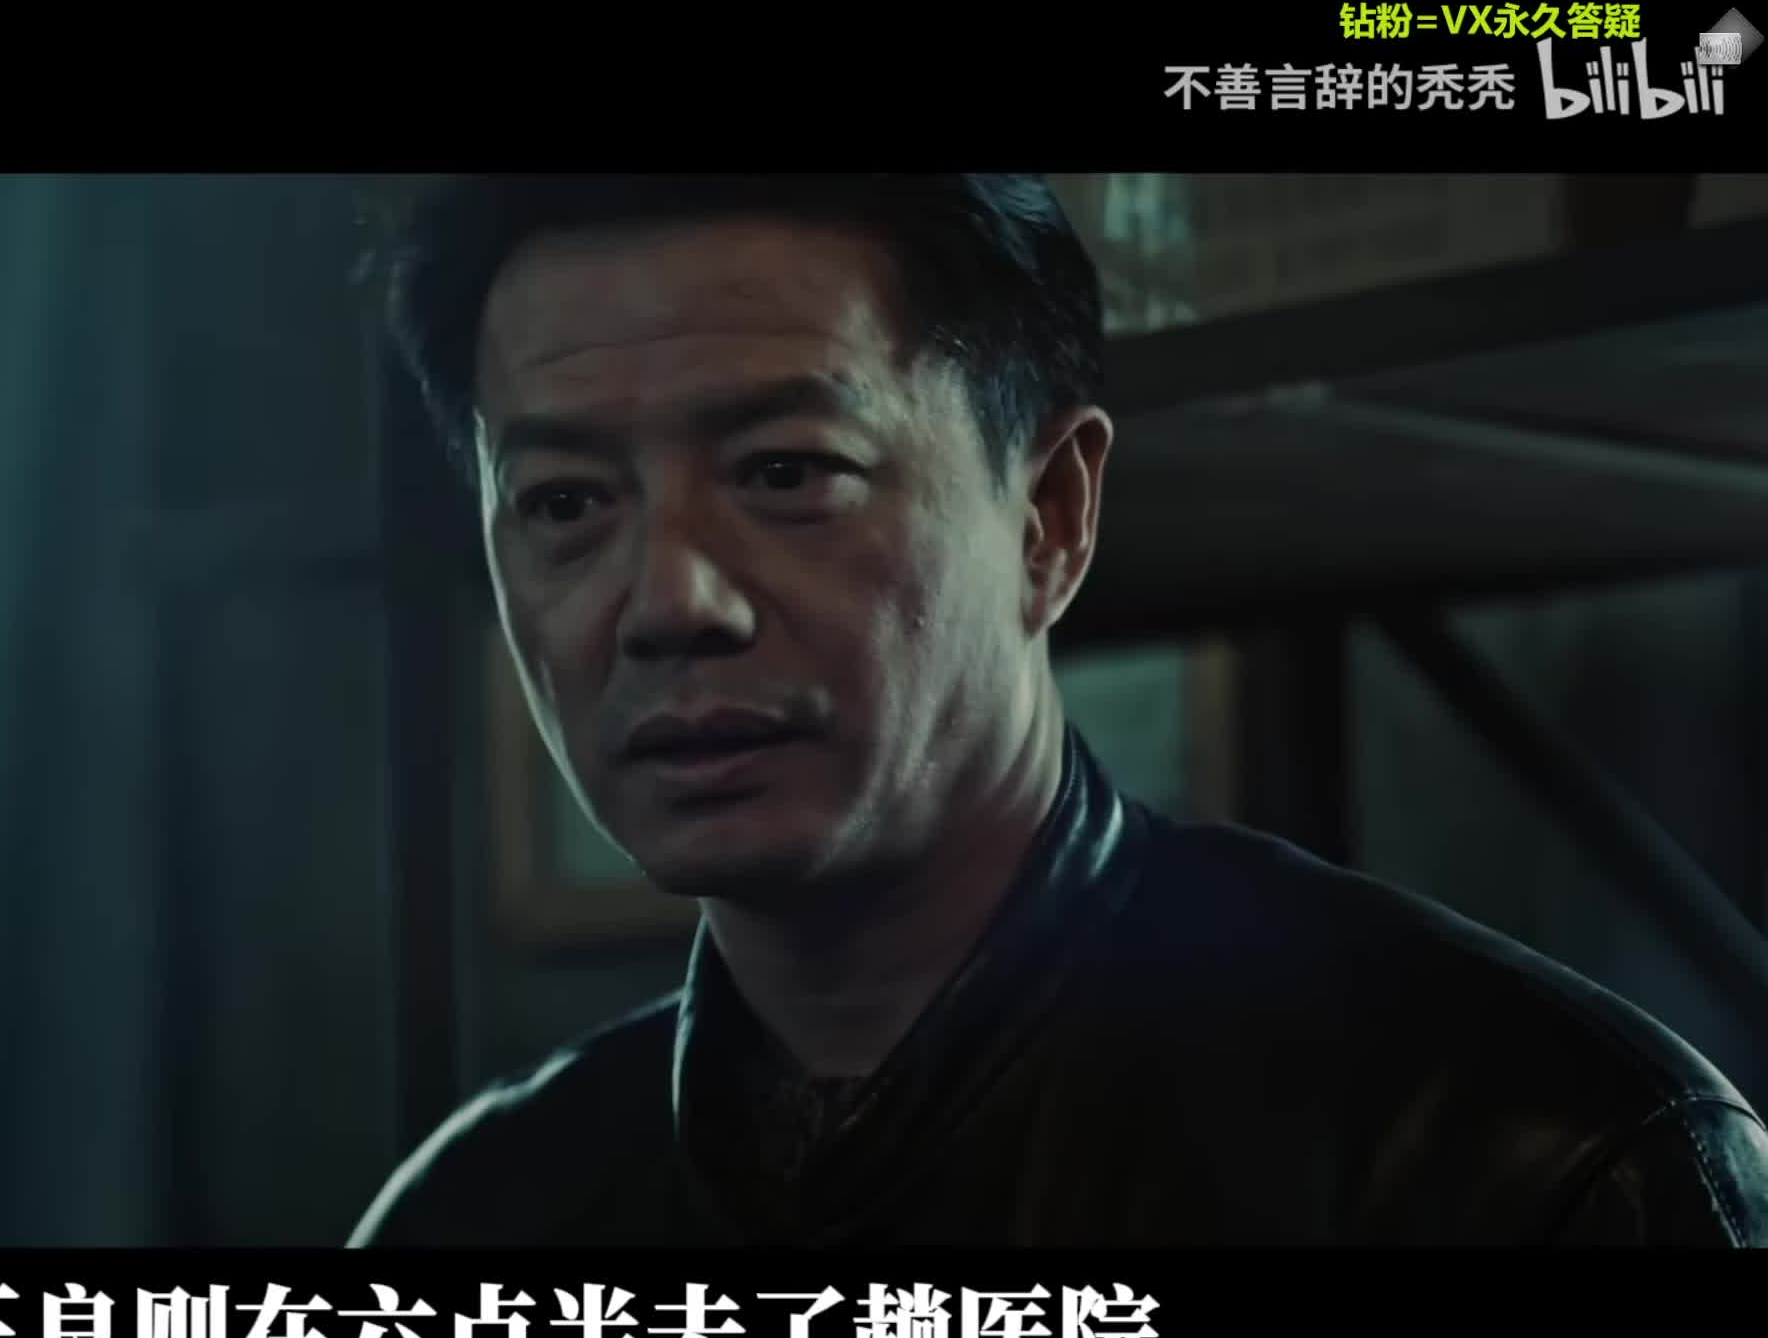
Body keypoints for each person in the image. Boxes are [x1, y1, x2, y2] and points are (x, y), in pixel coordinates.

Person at [345, 174, 1768, 1248]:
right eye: (565, 503)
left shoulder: (1533, 1164)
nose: (670, 602)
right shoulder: (482, 1215)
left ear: (1051, 516)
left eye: (786, 471)